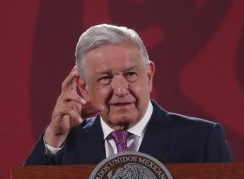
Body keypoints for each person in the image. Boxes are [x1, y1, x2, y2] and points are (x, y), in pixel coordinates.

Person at [24, 24, 232, 165]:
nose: (121, 89)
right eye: (105, 78)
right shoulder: (65, 143)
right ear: (83, 86)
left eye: (131, 74)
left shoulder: (202, 138)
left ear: (149, 75)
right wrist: (55, 136)